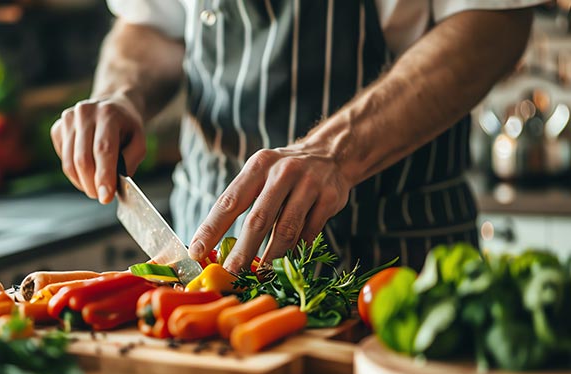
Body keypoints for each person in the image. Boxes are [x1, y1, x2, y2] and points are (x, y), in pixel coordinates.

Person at [51, 0, 542, 275]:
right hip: (203, 263)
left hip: (397, 260)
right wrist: (121, 93)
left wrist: (336, 150)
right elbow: (149, 23)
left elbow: (496, 20)